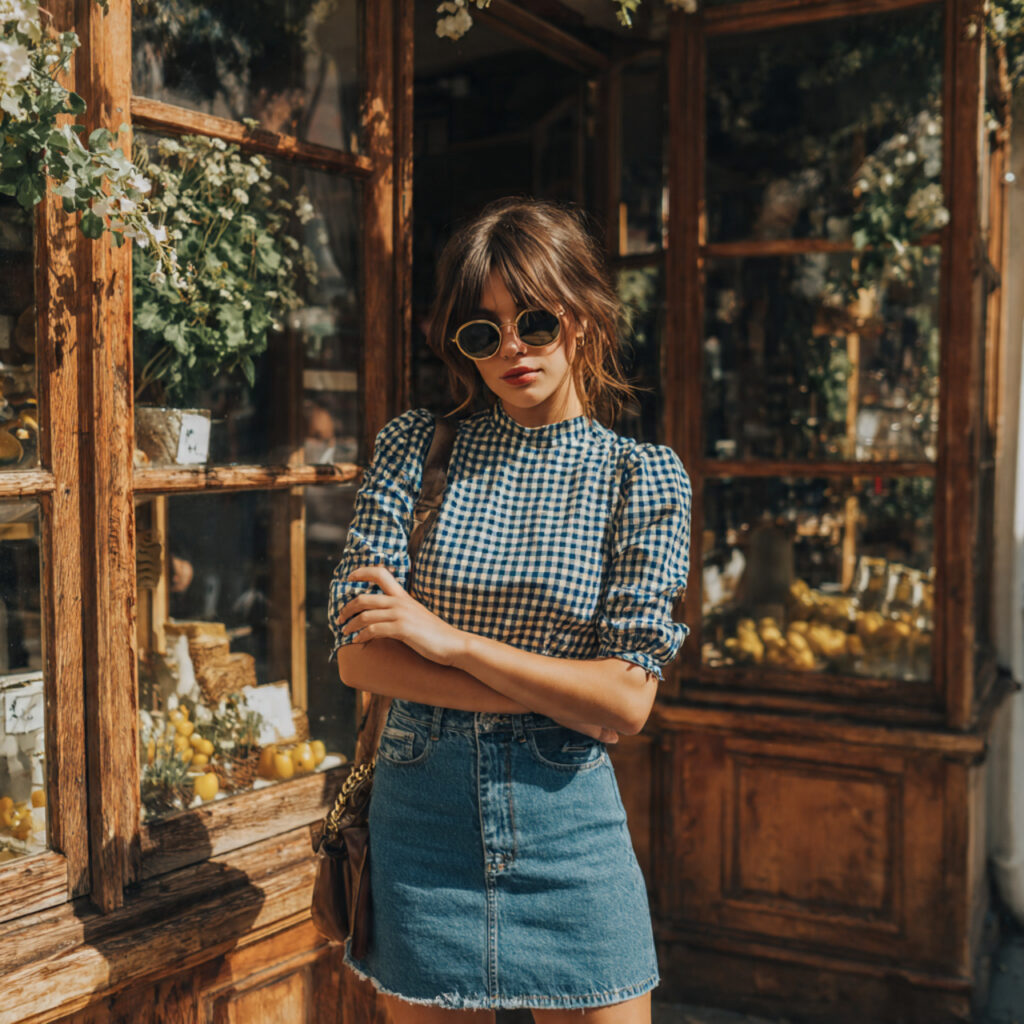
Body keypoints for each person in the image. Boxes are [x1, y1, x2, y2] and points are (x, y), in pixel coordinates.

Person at [328, 197, 692, 1023]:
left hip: (569, 825)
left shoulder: (642, 478)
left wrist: (448, 644)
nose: (512, 349)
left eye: (532, 320)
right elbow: (359, 655)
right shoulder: (416, 448)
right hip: (422, 818)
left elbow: (627, 702)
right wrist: (565, 691)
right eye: (482, 332)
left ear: (583, 318)